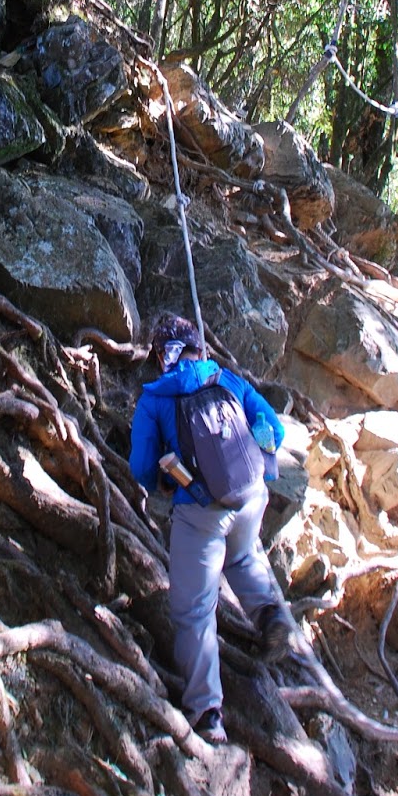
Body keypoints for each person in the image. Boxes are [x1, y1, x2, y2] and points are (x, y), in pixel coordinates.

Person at [129, 312, 292, 746]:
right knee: (243, 556)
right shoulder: (228, 380)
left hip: (199, 511)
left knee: (194, 612)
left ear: (162, 355)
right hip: (251, 495)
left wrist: (166, 479)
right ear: (198, 347)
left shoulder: (154, 398)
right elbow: (273, 429)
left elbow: (141, 467)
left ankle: (207, 714)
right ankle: (271, 614)